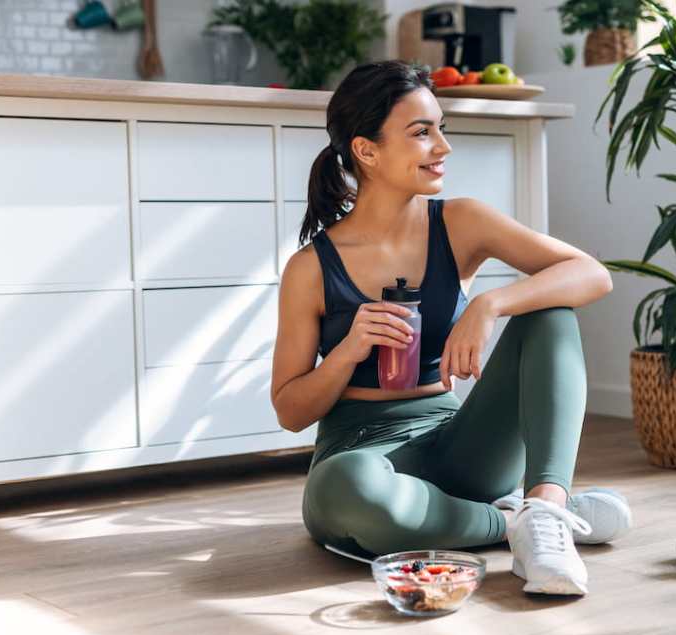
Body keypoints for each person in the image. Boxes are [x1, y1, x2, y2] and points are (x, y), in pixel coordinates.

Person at [270, 60, 632, 596]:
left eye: (442, 128)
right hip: (363, 459)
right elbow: (290, 411)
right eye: (422, 132)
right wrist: (347, 352)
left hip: (460, 447)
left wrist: (491, 303)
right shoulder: (310, 268)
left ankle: (548, 510)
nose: (443, 146)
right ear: (366, 150)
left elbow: (590, 274)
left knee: (549, 309)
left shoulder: (460, 222)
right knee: (350, 489)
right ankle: (514, 523)